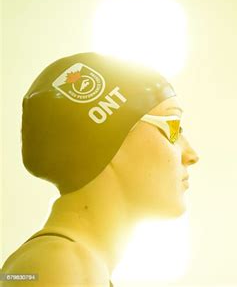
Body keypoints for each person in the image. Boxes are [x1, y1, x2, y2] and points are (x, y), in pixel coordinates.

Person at [1, 52, 199, 286]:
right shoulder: (62, 265)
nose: (192, 155)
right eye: (174, 127)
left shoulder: (64, 262)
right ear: (110, 140)